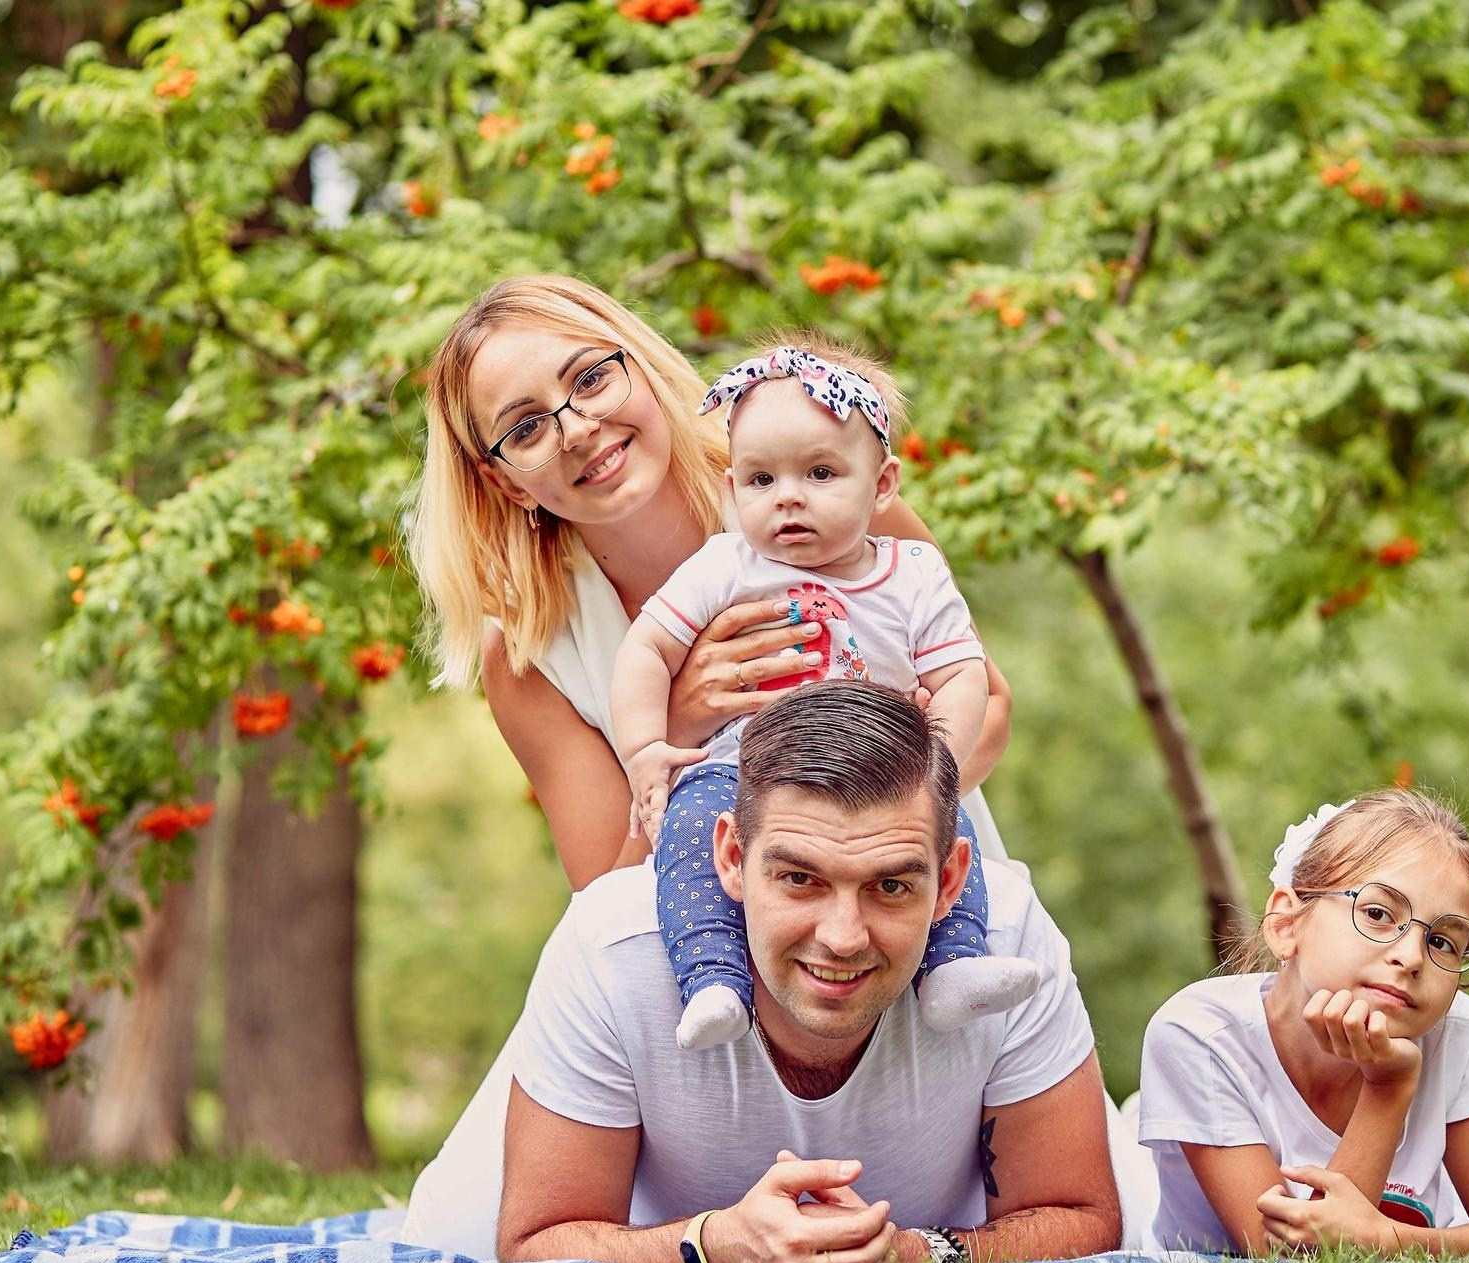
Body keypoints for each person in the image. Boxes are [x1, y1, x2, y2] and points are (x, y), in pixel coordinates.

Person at [411, 682, 1120, 1263]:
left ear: (951, 881)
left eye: (891, 886)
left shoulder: (1006, 945)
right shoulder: (614, 944)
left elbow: (1081, 1215)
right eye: (799, 878)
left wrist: (911, 1254)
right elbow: (536, 1241)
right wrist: (715, 1244)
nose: (843, 935)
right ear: (729, 857)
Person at [409, 275, 1016, 895]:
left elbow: (988, 705)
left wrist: (865, 842)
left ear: (639, 367)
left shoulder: (818, 492)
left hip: (927, 910)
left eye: (590, 379)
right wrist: (676, 727)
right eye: (526, 428)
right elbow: (607, 904)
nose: (579, 429)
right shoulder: (529, 657)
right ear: (507, 481)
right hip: (737, 973)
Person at [611, 334, 1038, 1050]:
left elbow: (962, 675)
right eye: (761, 480)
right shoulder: (726, 565)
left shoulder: (914, 574)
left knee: (943, 831)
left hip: (883, 774)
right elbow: (647, 648)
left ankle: (954, 967)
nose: (789, 499)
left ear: (882, 486)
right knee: (693, 830)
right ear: (730, 490)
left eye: (819, 472)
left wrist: (937, 762)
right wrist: (646, 746)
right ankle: (713, 976)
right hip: (742, 769)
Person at [1136, 789, 1469, 1257]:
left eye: (1443, 942)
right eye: (1377, 914)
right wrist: (1388, 1087)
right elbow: (1295, 1261)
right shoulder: (1199, 1035)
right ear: (1286, 924)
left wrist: (1388, 1241)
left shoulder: (1452, 1030)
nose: (1412, 956)